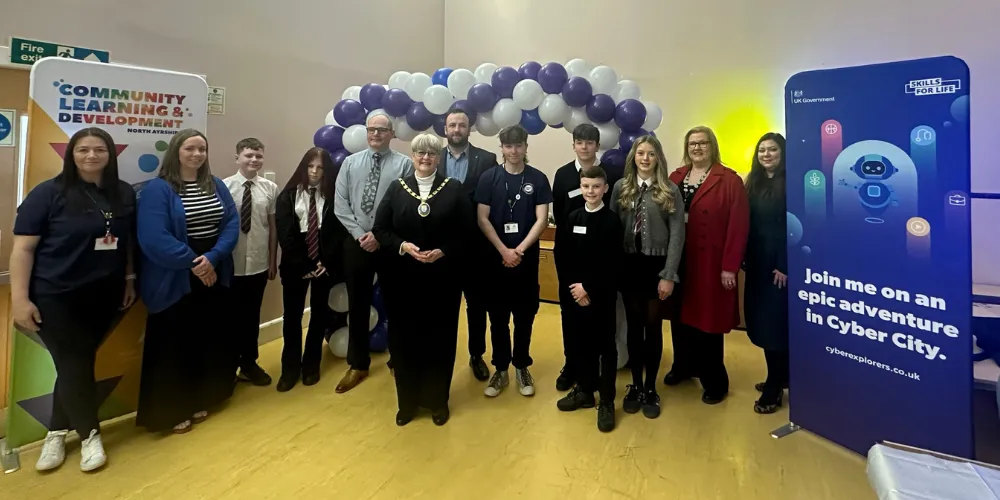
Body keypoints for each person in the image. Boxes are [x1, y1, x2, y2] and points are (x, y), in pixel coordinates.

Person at [10, 127, 136, 472]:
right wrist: (19, 300)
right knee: (75, 362)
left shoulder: (122, 193)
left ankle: (55, 431)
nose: (91, 156)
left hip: (105, 296)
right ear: (71, 154)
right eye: (83, 150)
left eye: (99, 150)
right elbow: (22, 249)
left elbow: (125, 243)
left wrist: (127, 279)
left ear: (110, 155)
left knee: (73, 365)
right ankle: (89, 434)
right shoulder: (48, 194)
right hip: (55, 296)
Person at [136, 128, 240, 434]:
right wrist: (194, 263)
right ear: (176, 152)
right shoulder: (159, 189)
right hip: (175, 276)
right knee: (173, 343)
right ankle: (171, 410)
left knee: (205, 338)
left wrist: (213, 258)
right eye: (189, 149)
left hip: (213, 268)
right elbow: (153, 237)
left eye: (202, 149)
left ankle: (201, 398)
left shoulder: (216, 185)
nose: (197, 155)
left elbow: (231, 224)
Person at [374, 133, 470, 426]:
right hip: (404, 280)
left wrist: (443, 251)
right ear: (413, 157)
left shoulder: (454, 189)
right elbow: (381, 229)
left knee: (439, 339)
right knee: (405, 340)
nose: (425, 158)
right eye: (420, 154)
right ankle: (408, 402)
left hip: (443, 280)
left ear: (437, 158)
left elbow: (466, 233)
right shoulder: (397, 188)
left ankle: (437, 401)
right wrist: (404, 247)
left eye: (430, 154)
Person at [666, 126, 749, 405]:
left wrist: (729, 266)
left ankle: (714, 379)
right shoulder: (676, 176)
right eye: (692, 144)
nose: (697, 148)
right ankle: (683, 366)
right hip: (679, 260)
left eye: (703, 143)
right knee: (679, 317)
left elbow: (738, 227)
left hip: (711, 263)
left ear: (712, 146)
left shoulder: (729, 181)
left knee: (709, 322)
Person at [334, 113, 414, 393]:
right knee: (357, 303)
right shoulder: (349, 163)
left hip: (389, 244)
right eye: (371, 129)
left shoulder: (404, 164)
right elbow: (340, 205)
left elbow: (405, 207)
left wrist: (380, 237)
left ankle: (398, 361)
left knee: (397, 303)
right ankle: (358, 364)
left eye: (382, 130)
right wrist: (360, 235)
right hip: (356, 243)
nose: (376, 134)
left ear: (391, 133)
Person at [610, 136, 684, 419]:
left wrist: (669, 275)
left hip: (656, 268)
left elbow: (677, 235)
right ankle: (636, 385)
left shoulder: (669, 190)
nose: (645, 158)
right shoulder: (621, 187)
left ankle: (651, 387)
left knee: (652, 328)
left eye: (651, 154)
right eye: (640, 153)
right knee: (633, 327)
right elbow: (612, 229)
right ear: (633, 157)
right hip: (629, 267)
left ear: (658, 158)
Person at [475, 125, 552, 398]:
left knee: (523, 317)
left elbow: (542, 219)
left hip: (525, 260)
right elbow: (482, 218)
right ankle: (500, 369)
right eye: (508, 146)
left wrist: (518, 250)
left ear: (526, 147)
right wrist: (503, 251)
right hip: (494, 261)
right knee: (497, 318)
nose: (514, 151)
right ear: (502, 149)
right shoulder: (488, 178)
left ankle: (521, 366)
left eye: (518, 145)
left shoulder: (538, 179)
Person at [551, 123, 620, 392]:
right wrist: (572, 281)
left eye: (590, 142)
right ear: (574, 145)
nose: (584, 146)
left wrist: (590, 284)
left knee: (600, 326)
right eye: (579, 142)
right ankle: (572, 366)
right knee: (571, 320)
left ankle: (599, 379)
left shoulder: (609, 174)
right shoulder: (563, 175)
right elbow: (559, 214)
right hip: (572, 265)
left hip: (599, 269)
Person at [555, 166, 623, 432]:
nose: (591, 191)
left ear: (605, 188)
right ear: (580, 188)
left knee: (606, 348)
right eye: (586, 186)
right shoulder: (572, 218)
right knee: (581, 344)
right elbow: (563, 256)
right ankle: (584, 389)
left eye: (596, 187)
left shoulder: (612, 221)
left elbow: (612, 263)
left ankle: (606, 400)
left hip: (601, 297)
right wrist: (575, 288)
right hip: (576, 294)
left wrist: (588, 288)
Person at [274, 147, 346, 392]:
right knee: (292, 317)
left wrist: (324, 263)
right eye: (310, 166)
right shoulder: (288, 196)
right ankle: (289, 368)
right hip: (296, 266)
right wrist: (304, 265)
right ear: (303, 167)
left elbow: (337, 234)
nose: (315, 172)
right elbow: (286, 235)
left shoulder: (334, 196)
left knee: (319, 315)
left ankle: (311, 364)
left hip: (324, 266)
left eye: (320, 168)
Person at [438, 108, 497, 382]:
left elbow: (491, 204)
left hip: (476, 247)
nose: (457, 129)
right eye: (452, 125)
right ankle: (441, 355)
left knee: (477, 306)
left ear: (469, 129)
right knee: (443, 305)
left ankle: (477, 355)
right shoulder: (431, 159)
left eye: (462, 125)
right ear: (445, 129)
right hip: (441, 248)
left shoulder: (487, 160)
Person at [223, 137, 278, 387]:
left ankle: (249, 363)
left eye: (258, 156)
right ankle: (226, 366)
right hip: (230, 264)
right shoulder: (224, 188)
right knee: (229, 317)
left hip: (258, 263)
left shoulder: (269, 188)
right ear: (237, 158)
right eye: (248, 155)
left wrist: (273, 260)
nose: (254, 160)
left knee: (250, 316)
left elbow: (273, 227)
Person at [743, 132, 789, 414]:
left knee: (775, 327)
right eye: (762, 150)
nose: (766, 155)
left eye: (772, 150)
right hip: (757, 264)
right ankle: (781, 376)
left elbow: (792, 228)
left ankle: (774, 386)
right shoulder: (753, 182)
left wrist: (785, 265)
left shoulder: (791, 182)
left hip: (779, 268)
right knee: (761, 322)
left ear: (783, 153)